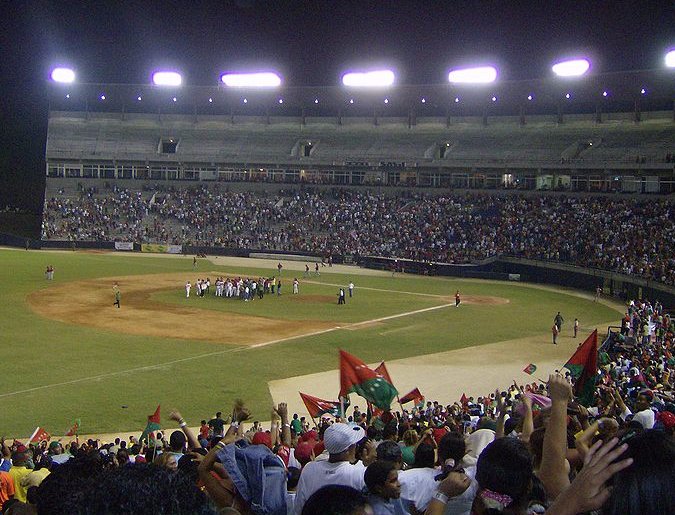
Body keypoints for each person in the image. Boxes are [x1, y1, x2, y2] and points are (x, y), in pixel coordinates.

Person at [294, 423, 369, 514]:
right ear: (349, 448)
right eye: (354, 444)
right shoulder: (360, 472)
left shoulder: (309, 469)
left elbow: (299, 507)